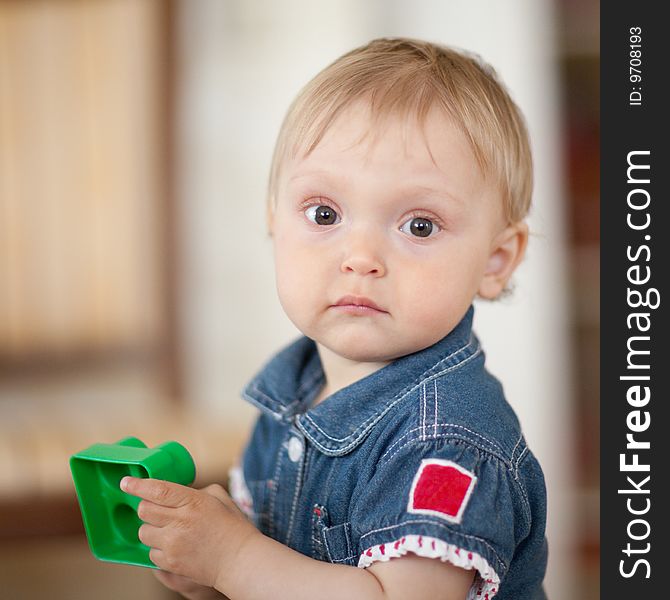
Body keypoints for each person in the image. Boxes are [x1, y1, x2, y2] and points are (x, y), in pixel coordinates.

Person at [121, 37, 548, 600]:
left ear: (494, 262)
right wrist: (210, 574)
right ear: (275, 221)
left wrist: (233, 559)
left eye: (419, 225)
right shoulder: (289, 392)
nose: (361, 257)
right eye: (325, 214)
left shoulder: (447, 442)